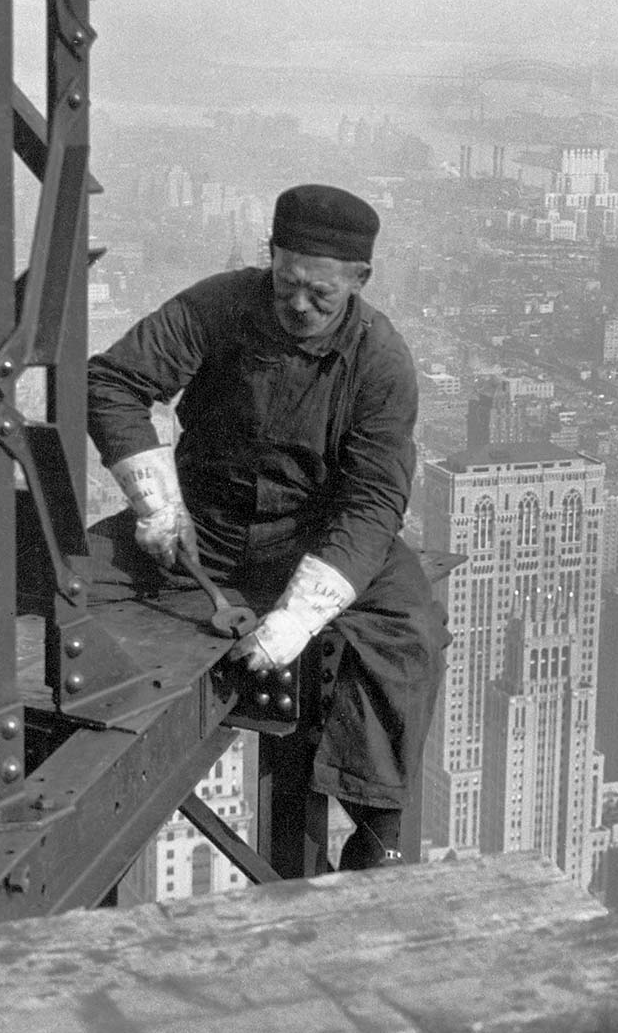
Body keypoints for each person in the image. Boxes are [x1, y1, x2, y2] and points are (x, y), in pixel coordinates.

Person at [86, 184, 448, 870]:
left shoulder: (380, 360)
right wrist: (156, 503)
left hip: (314, 539)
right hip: (204, 527)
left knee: (408, 630)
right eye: (286, 284)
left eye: (320, 294)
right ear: (270, 258)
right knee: (63, 576)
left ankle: (378, 832)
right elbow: (114, 383)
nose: (299, 305)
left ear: (359, 282)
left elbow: (373, 501)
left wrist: (300, 616)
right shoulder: (217, 305)